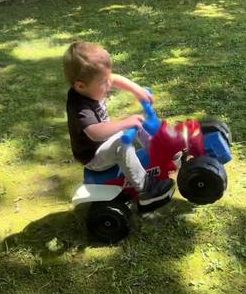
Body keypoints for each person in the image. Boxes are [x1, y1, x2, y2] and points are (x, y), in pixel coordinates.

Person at [63, 41, 172, 206]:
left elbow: (114, 78)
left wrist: (138, 91)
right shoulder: (79, 106)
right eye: (103, 83)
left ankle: (159, 153)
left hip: (104, 142)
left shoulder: (92, 83)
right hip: (94, 156)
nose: (109, 85)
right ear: (80, 85)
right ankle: (145, 189)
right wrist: (125, 122)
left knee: (137, 122)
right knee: (123, 143)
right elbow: (96, 133)